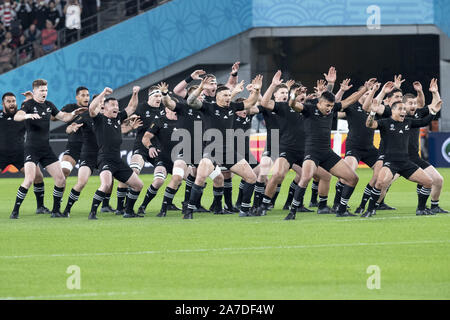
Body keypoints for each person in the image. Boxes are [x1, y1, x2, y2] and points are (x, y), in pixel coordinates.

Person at [283, 75, 377, 220]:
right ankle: (292, 211)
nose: (329, 109)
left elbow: (349, 100)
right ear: (319, 103)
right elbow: (292, 105)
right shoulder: (309, 109)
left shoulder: (332, 109)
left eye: (332, 106)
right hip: (311, 153)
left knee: (353, 178)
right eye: (327, 106)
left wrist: (365, 88)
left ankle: (341, 209)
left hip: (327, 153)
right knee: (306, 177)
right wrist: (293, 96)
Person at [182, 75, 262, 219]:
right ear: (217, 97)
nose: (228, 97)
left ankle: (244, 210)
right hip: (211, 150)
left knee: (251, 177)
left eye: (229, 95)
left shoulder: (232, 106)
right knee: (200, 178)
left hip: (229, 151)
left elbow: (250, 102)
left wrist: (256, 91)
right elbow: (190, 101)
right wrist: (201, 87)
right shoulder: (208, 107)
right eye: (225, 95)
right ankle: (189, 211)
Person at [10, 79, 87, 219]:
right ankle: (15, 211)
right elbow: (17, 116)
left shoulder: (49, 105)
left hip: (46, 149)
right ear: (34, 91)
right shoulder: (28, 104)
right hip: (31, 148)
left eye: (46, 90)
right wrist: (27, 115)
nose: (44, 93)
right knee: (29, 179)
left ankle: (56, 211)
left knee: (61, 179)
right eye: (41, 90)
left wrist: (75, 112)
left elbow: (63, 117)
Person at [62, 95, 142, 217]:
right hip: (89, 155)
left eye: (101, 102)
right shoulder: (90, 116)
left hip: (108, 155)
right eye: (99, 102)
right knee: (83, 182)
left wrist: (130, 126)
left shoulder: (112, 118)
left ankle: (108, 206)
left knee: (112, 181)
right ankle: (67, 209)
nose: (100, 104)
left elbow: (117, 131)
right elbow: (68, 129)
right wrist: (71, 128)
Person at [363, 97, 442, 217]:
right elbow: (369, 124)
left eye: (404, 109)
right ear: (393, 111)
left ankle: (420, 209)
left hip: (406, 163)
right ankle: (370, 210)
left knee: (428, 181)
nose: (404, 111)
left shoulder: (408, 122)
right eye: (401, 109)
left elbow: (423, 122)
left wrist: (433, 112)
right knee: (379, 183)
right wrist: (373, 112)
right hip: (391, 162)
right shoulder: (385, 122)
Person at [88, 86, 143, 220]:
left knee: (138, 185)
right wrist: (103, 94)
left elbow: (131, 107)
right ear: (104, 107)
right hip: (105, 159)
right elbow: (91, 108)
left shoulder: (118, 118)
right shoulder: (99, 119)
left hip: (117, 160)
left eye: (117, 105)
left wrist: (135, 93)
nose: (116, 107)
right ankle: (92, 213)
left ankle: (128, 211)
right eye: (112, 105)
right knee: (106, 184)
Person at [1, 92, 50, 215]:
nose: (12, 104)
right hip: (1, 154)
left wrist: (30, 99)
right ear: (3, 104)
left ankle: (40, 207)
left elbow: (35, 109)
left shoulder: (22, 115)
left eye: (13, 101)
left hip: (20, 153)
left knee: (38, 176)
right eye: (9, 101)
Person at [404, 79, 447, 214]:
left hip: (414, 157)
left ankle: (434, 206)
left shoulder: (417, 114)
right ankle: (373, 205)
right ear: (402, 105)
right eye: (410, 103)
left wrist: (435, 92)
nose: (413, 106)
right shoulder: (395, 115)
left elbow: (435, 105)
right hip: (397, 158)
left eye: (414, 103)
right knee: (381, 184)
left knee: (438, 180)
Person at [58, 86, 90, 178]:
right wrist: (72, 114)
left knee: (109, 173)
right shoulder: (70, 107)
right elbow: (54, 117)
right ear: (77, 97)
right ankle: (58, 193)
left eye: (87, 95)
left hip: (90, 147)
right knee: (63, 172)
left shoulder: (92, 109)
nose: (86, 98)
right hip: (74, 146)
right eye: (83, 95)